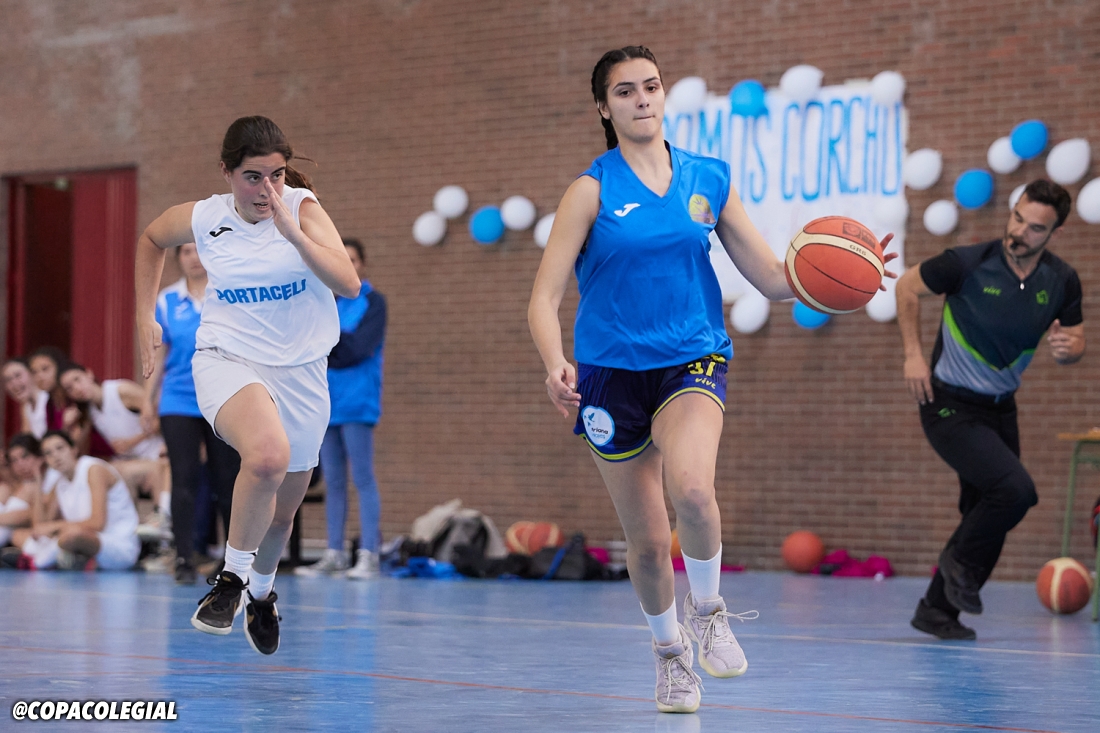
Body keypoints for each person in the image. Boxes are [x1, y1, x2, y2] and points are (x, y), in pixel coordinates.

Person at [529, 45, 896, 713]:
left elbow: (774, 279)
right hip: (608, 377)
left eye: (651, 86)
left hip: (691, 358)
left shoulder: (708, 178)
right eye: (625, 91)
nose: (642, 99)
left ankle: (709, 611)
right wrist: (556, 363)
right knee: (646, 541)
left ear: (664, 94)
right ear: (604, 108)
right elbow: (544, 296)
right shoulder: (590, 190)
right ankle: (670, 656)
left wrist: (855, 274)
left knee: (693, 489)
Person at [134, 115, 359, 655]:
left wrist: (294, 234)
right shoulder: (205, 217)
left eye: (276, 175)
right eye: (253, 177)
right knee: (266, 455)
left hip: (302, 370)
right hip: (228, 358)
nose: (266, 190)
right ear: (227, 172)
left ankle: (261, 593)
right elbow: (152, 238)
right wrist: (144, 315)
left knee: (282, 514)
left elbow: (348, 284)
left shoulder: (303, 210)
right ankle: (231, 581)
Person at [897, 179, 1085, 641]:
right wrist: (913, 355)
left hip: (1001, 409)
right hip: (947, 405)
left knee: (985, 512)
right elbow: (906, 286)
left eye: (1035, 227)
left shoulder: (1061, 280)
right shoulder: (966, 262)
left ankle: (936, 611)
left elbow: (1076, 338)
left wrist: (1070, 350)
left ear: (1054, 233)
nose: (1019, 231)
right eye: (1017, 217)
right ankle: (958, 563)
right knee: (1014, 491)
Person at [141, 242, 241, 585]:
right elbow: (159, 354)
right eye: (185, 251)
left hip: (222, 396)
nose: (193, 257)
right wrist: (147, 400)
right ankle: (183, 557)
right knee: (183, 480)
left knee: (227, 480)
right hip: (178, 400)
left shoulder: (227, 292)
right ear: (178, 259)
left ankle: (231, 560)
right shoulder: (167, 300)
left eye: (198, 249)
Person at [296, 237, 386, 580]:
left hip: (358, 402)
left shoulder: (373, 302)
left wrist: (328, 342)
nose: (348, 265)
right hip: (325, 402)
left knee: (362, 477)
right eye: (341, 258)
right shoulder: (323, 301)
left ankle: (369, 554)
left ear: (362, 264)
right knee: (333, 480)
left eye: (353, 259)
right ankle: (334, 552)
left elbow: (358, 348)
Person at [58, 363, 171, 538]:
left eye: (77, 380)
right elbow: (73, 450)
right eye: (69, 388)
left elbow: (162, 415)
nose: (76, 388)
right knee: (108, 471)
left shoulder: (120, 391)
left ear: (89, 374)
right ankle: (126, 531)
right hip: (134, 462)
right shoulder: (89, 411)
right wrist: (67, 426)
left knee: (119, 470)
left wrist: (131, 442)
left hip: (157, 455)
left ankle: (156, 524)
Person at [20, 431, 140, 571]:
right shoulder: (59, 483)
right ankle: (67, 559)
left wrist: (55, 527)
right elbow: (40, 527)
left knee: (74, 535)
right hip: (87, 546)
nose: (55, 456)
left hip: (118, 545)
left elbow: (97, 523)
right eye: (48, 453)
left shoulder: (93, 469)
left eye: (60, 448)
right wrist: (37, 480)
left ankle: (37, 562)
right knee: (18, 534)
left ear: (74, 449)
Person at [29, 347, 114, 460]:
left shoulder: (76, 397)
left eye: (45, 369)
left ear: (58, 367)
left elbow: (79, 444)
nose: (39, 376)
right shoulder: (49, 404)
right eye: (34, 372)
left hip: (103, 457)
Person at [0, 434, 40, 549]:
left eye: (25, 456)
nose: (20, 465)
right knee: (3, 489)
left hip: (36, 533)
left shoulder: (50, 480)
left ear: (39, 456)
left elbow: (30, 515)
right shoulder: (12, 486)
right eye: (14, 461)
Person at [2, 358, 48, 438]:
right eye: (8, 380)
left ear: (32, 374)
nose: (14, 383)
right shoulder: (26, 407)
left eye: (18, 375)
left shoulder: (48, 399)